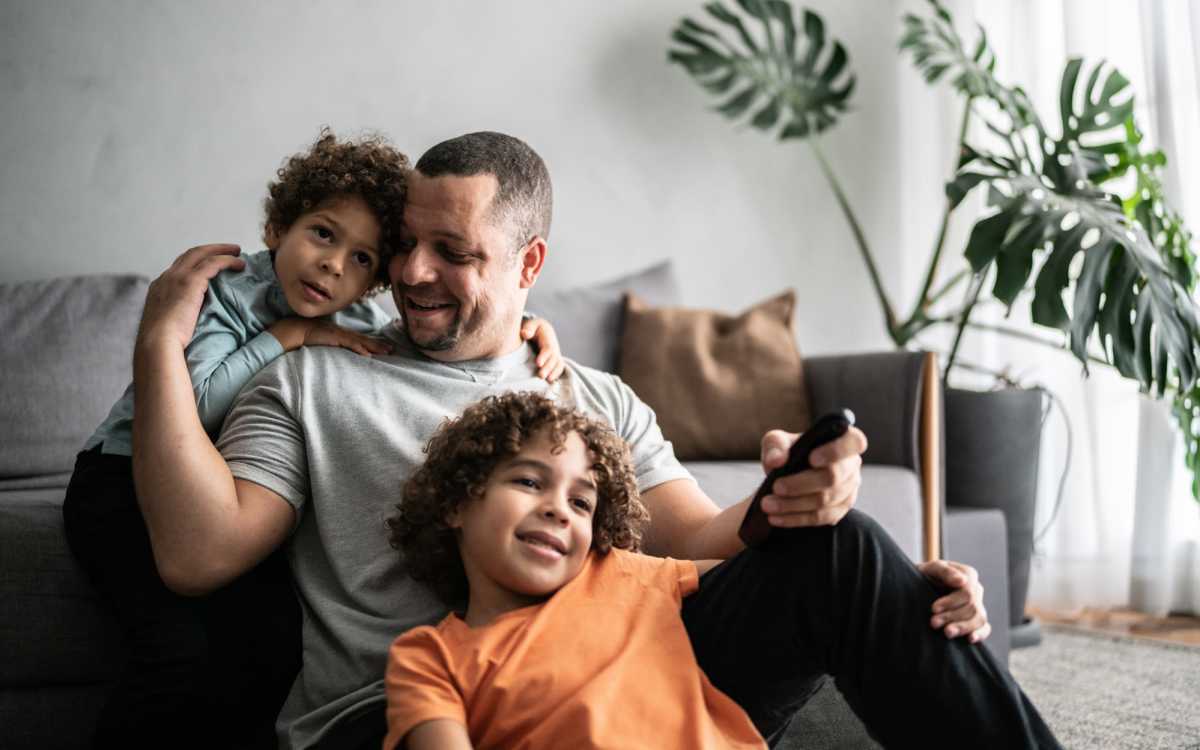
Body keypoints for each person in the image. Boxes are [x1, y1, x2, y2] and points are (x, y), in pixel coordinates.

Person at [130, 131, 1059, 749]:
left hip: (610, 684)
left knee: (843, 549)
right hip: (406, 713)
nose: (411, 271)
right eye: (405, 243)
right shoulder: (313, 376)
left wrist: (812, 514)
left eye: (453, 252)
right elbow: (196, 555)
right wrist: (160, 345)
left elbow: (700, 543)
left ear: (528, 263)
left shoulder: (593, 394)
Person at [61, 127, 564, 749]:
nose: (334, 264)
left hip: (210, 480)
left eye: (363, 259)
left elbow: (456, 323)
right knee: (175, 652)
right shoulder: (231, 294)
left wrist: (527, 324)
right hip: (118, 477)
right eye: (324, 234)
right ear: (279, 226)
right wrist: (285, 338)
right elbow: (192, 405)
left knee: (274, 637)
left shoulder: (346, 311)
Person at [383, 391, 765, 749]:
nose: (559, 510)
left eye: (581, 503)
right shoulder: (429, 660)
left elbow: (766, 576)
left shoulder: (620, 571)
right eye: (529, 482)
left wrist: (781, 491)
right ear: (456, 504)